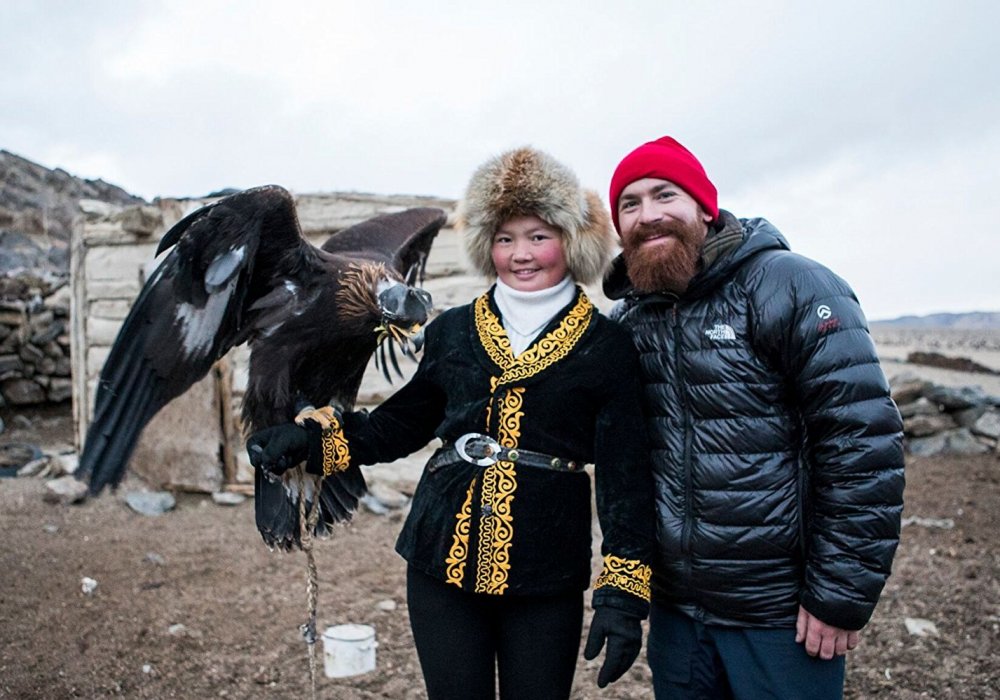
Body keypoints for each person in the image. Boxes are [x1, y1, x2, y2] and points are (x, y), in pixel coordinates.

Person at [248, 146, 656, 699]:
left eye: (539, 235)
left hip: (546, 569)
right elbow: (403, 424)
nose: (521, 254)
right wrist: (311, 442)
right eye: (505, 238)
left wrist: (623, 593)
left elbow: (625, 475)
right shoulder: (454, 330)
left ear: (571, 240)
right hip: (438, 557)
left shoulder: (608, 346)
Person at [602, 135, 905, 700]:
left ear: (703, 206)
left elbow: (863, 444)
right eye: (630, 204)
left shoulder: (791, 284)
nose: (648, 216)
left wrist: (838, 594)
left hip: (780, 614)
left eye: (664, 194)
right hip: (678, 616)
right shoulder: (628, 320)